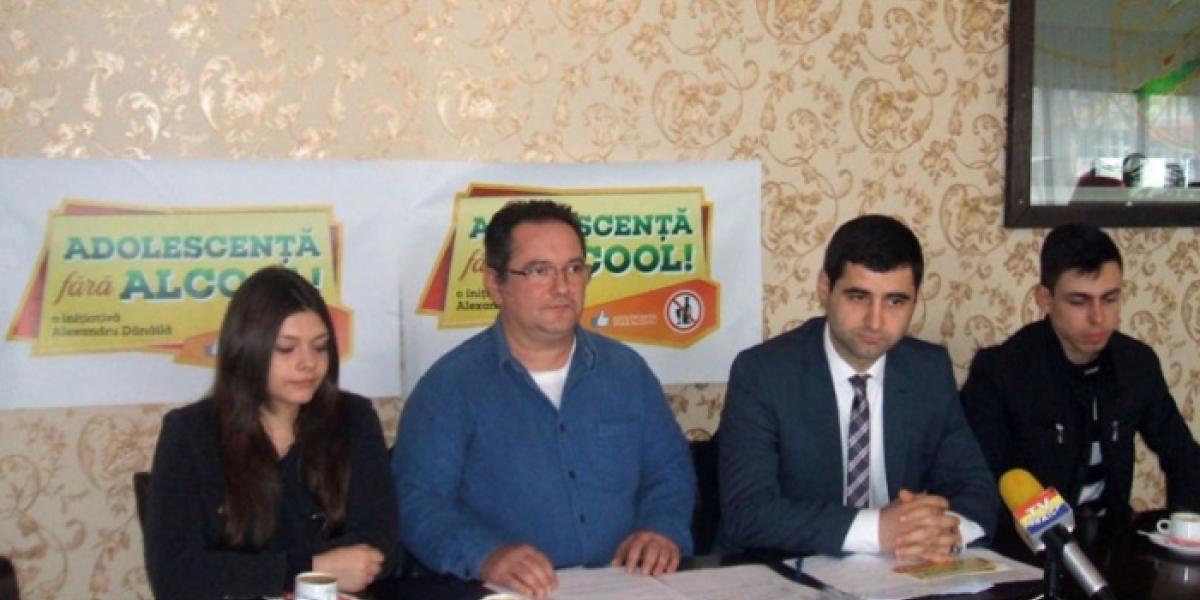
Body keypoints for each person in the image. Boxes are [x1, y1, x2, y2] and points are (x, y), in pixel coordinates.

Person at [393, 200, 695, 599]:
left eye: (574, 269)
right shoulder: (450, 387)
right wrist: (485, 555)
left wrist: (661, 529)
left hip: (627, 585)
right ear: (495, 284)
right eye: (540, 270)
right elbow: (417, 503)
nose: (562, 287)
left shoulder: (626, 372)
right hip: (507, 592)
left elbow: (670, 473)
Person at [718, 214, 997, 562]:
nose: (875, 321)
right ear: (825, 287)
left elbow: (976, 489)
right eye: (858, 297)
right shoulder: (763, 373)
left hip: (898, 572)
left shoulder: (928, 370)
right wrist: (877, 530)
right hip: (790, 571)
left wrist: (942, 532)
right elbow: (747, 513)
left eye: (895, 301)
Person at [144, 266, 399, 599]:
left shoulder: (354, 418)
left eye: (320, 347)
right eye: (287, 349)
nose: (308, 363)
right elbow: (175, 575)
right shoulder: (189, 434)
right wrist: (311, 568)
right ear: (247, 349)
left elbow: (381, 545)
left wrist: (258, 572)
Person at [961, 223, 1200, 554]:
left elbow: (1184, 456)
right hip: (1027, 552)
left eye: (1110, 299)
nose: (1098, 317)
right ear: (1045, 299)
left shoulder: (1136, 364)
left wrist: (1186, 532)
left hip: (1113, 544)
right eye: (1079, 301)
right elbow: (979, 481)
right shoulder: (1001, 372)